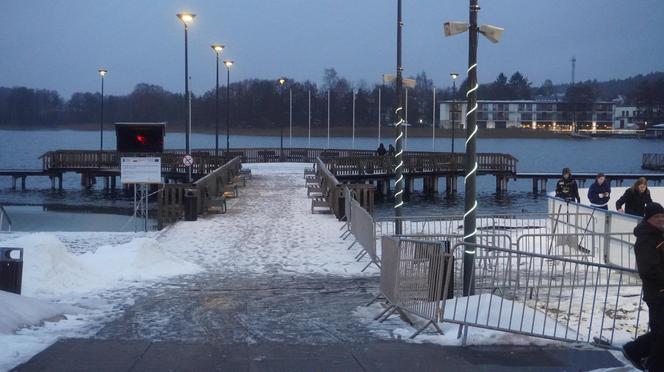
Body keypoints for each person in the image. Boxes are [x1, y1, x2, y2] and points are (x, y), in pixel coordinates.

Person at [622, 202, 664, 371]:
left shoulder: (659, 235)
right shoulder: (646, 239)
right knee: (661, 334)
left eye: (662, 216)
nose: (660, 219)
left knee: (660, 332)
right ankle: (654, 366)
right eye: (657, 217)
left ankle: (633, 350)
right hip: (657, 293)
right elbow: (649, 270)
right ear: (648, 219)